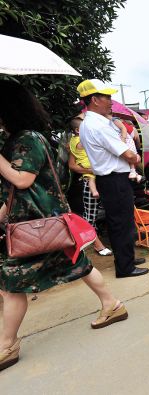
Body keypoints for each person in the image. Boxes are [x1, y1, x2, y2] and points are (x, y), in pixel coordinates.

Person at [0, 81, 128, 372]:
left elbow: (22, 181)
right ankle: (112, 304)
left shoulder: (28, 139)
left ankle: (7, 345)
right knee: (77, 263)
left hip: (35, 226)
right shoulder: (26, 137)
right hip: (44, 223)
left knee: (11, 285)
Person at [77, 79, 149, 278]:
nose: (110, 101)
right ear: (94, 100)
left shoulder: (91, 123)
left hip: (112, 178)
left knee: (123, 221)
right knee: (121, 223)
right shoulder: (97, 125)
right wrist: (135, 157)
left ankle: (127, 259)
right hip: (113, 178)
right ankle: (125, 267)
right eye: (106, 97)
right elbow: (126, 154)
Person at [67, 116, 112, 256]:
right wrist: (91, 170)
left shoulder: (81, 141)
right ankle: (96, 244)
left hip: (103, 179)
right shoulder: (81, 142)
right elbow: (72, 165)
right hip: (89, 180)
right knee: (90, 215)